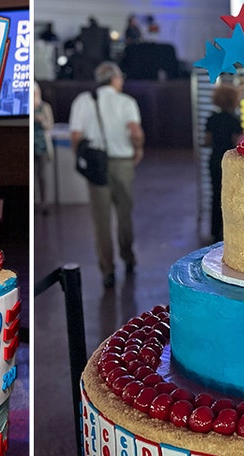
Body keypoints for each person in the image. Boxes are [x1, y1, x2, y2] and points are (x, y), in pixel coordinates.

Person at [69, 61, 144, 289]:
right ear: (115, 79)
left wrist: (85, 158)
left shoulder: (84, 100)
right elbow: (135, 132)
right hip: (122, 163)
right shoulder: (127, 102)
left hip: (96, 165)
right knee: (124, 213)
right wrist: (138, 149)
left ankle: (107, 270)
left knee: (101, 219)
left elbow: (75, 136)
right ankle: (128, 257)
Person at [204, 83, 242, 242]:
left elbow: (206, 141)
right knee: (230, 195)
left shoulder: (211, 119)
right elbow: (237, 143)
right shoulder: (235, 120)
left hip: (214, 159)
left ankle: (214, 231)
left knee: (215, 195)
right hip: (229, 162)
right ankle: (228, 231)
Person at [33, 82, 54, 215]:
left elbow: (50, 125)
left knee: (42, 175)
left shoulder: (45, 107)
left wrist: (41, 120)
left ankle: (44, 202)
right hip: (31, 146)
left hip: (41, 146)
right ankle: (33, 202)